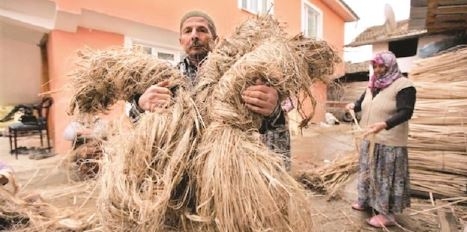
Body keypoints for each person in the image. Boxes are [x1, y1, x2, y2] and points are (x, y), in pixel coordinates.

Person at [128, 10, 291, 170]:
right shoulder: (167, 80)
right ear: (181, 41)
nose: (194, 35)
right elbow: (138, 129)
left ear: (215, 39)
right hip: (181, 173)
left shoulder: (241, 75)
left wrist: (275, 111)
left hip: (229, 169)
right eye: (187, 31)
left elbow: (276, 125)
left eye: (202, 30)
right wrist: (140, 106)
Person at [345, 51, 416, 228]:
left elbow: (406, 112)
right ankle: (366, 202)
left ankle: (387, 214)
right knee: (368, 173)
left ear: (390, 65)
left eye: (381, 66)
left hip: (389, 142)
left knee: (385, 178)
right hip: (369, 139)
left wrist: (384, 124)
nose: (377, 69)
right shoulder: (372, 86)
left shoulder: (404, 86)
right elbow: (360, 104)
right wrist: (352, 106)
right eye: (374, 66)